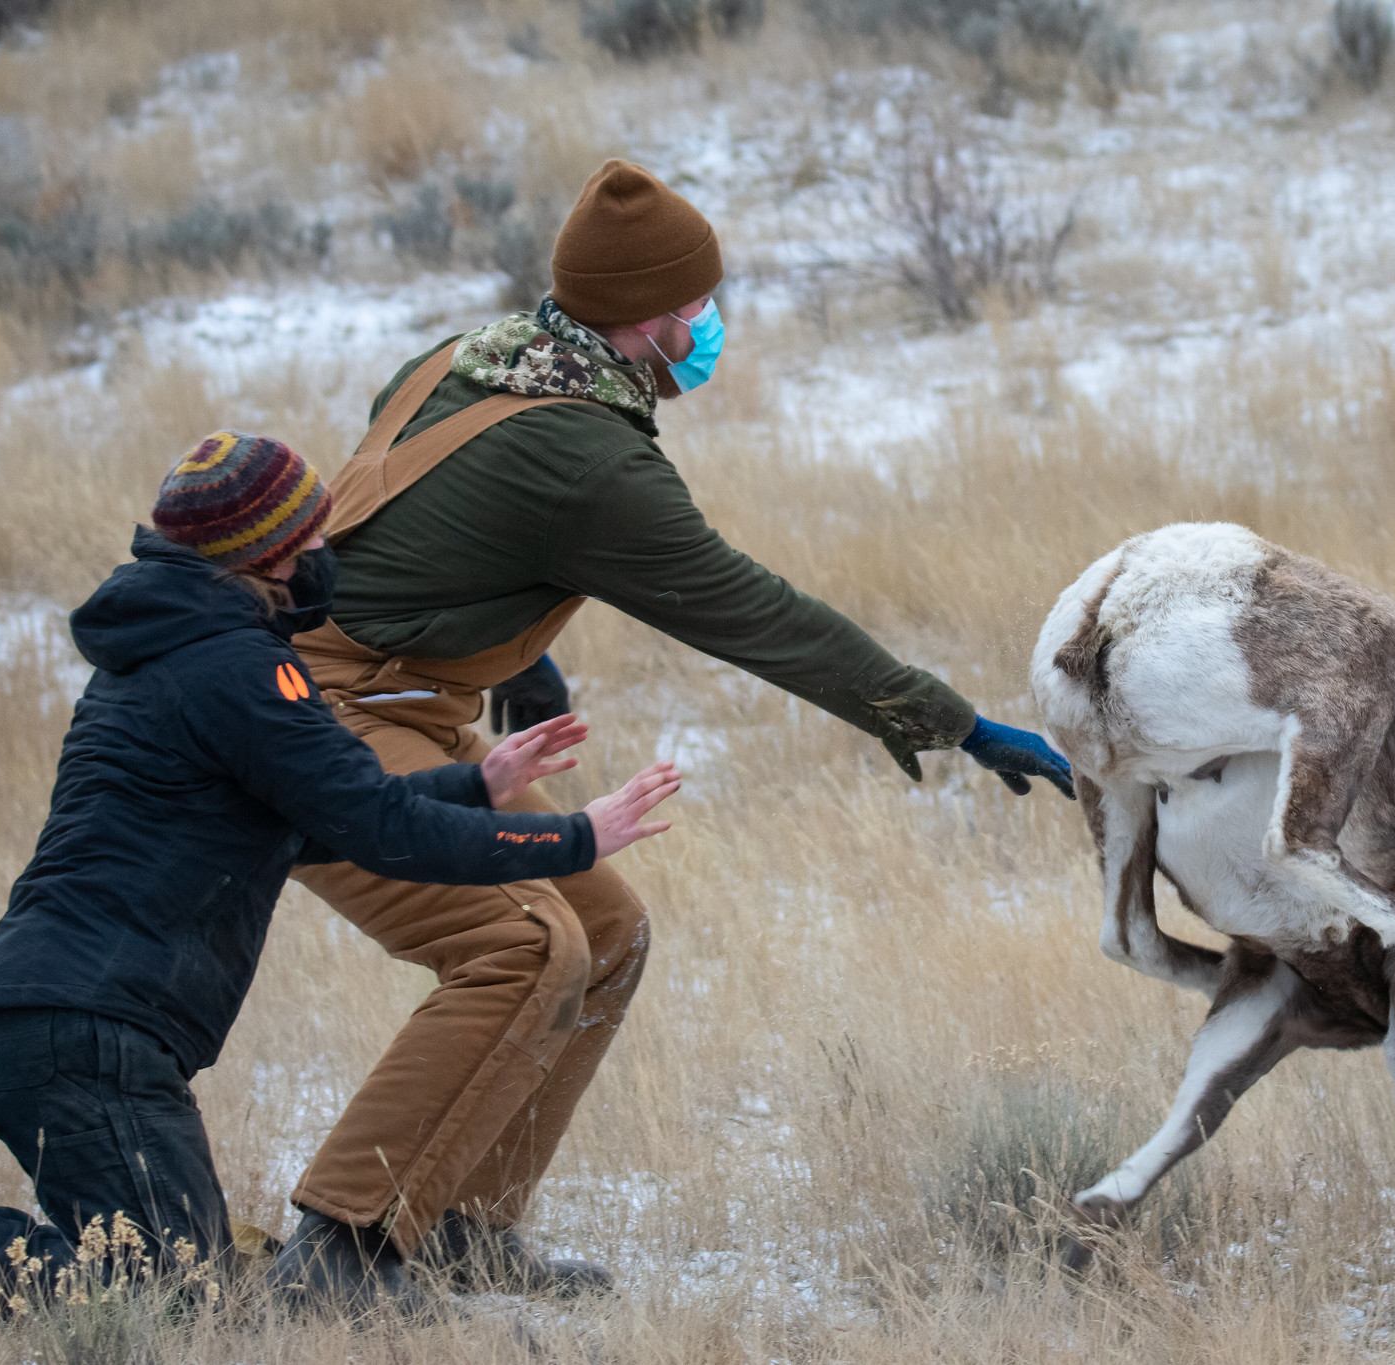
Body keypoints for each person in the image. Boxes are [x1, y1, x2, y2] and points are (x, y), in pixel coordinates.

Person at [273, 158, 1075, 1301]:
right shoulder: (590, 462)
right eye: (696, 308)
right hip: (330, 718)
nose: (710, 325)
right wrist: (950, 723)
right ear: (644, 320)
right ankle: (344, 1249)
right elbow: (752, 614)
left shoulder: (473, 355)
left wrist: (520, 660)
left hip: (406, 702)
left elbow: (422, 528)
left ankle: (462, 1229)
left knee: (603, 929)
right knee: (519, 945)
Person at [0, 432, 680, 1317]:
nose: (326, 555)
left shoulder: (178, 653)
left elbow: (299, 829)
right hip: (85, 1037)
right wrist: (572, 841)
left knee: (178, 1282)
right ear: (265, 555)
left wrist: (476, 784)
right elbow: (382, 830)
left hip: (68, 1029)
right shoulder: (237, 669)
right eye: (314, 540)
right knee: (178, 1301)